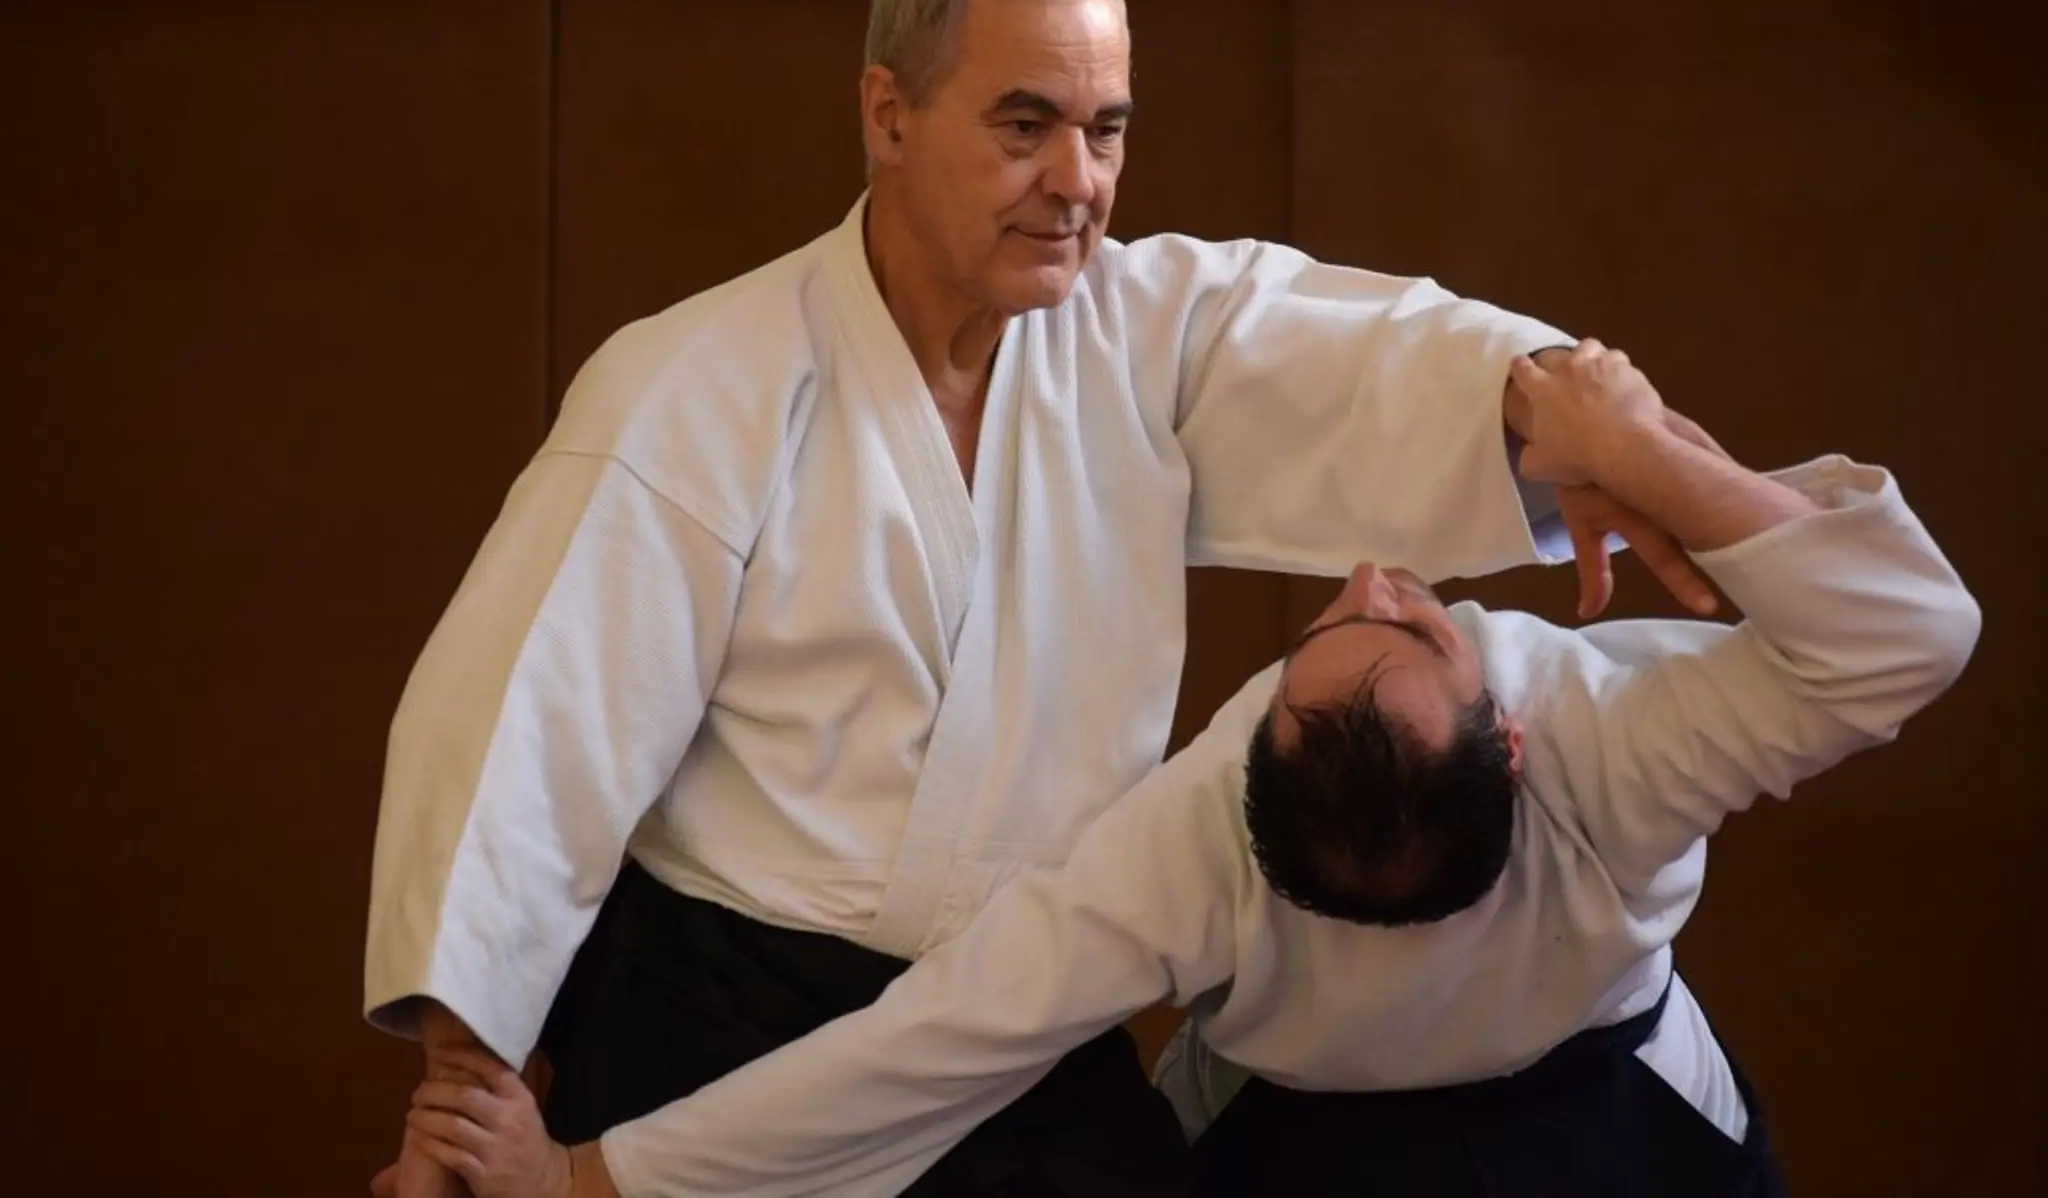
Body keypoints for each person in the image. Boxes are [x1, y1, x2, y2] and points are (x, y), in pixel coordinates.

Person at [363, 0, 1721, 1198]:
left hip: (1021, 1025)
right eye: (1026, 125)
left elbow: (1366, 352)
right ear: (887, 113)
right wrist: (458, 1090)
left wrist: (1565, 412)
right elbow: (528, 739)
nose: (1078, 181)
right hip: (725, 1015)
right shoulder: (692, 386)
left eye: (1105, 130)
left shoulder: (1145, 333)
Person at [395, 341, 1980, 1198]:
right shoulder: (1599, 739)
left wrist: (593, 1179)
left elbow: (927, 1046)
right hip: (1316, 1152)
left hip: (1609, 1135)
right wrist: (1644, 456)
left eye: (1381, 622)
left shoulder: (1245, 823)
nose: (1371, 574)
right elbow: (1906, 624)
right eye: (1378, 622)